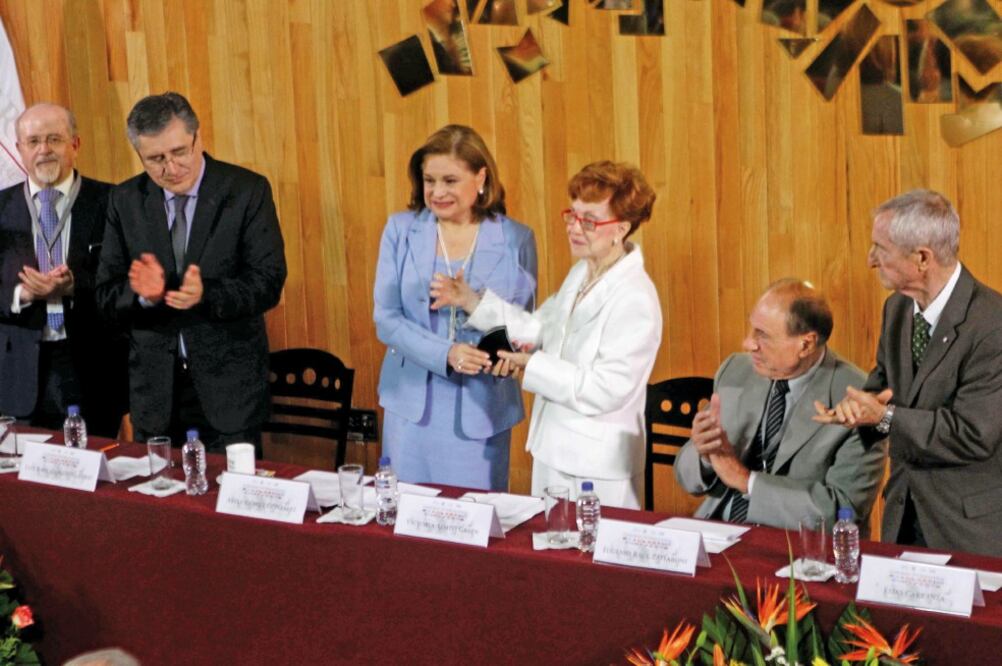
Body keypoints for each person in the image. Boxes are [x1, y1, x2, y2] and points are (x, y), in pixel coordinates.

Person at [430, 160, 661, 508]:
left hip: (597, 465)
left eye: (589, 220)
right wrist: (471, 301)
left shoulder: (635, 298)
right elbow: (537, 328)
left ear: (622, 229)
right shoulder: (581, 273)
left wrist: (531, 365)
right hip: (554, 450)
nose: (575, 228)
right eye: (573, 215)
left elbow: (605, 389)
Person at [95, 92, 287, 454]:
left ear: (198, 137)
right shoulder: (125, 201)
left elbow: (268, 282)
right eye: (155, 159)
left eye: (179, 151)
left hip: (229, 395)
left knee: (229, 507)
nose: (171, 168)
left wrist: (206, 294)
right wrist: (142, 295)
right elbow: (105, 294)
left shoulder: (245, 191)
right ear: (140, 156)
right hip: (155, 397)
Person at [816, 190, 1002, 556]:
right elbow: (886, 385)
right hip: (903, 516)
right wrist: (858, 411)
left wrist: (884, 416)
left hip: (967, 530)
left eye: (880, 248)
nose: (870, 260)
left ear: (922, 258)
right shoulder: (897, 309)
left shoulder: (992, 326)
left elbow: (973, 434)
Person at [373, 124, 537, 490]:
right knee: (408, 526)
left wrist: (476, 311)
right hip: (410, 408)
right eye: (429, 180)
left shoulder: (516, 239)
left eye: (450, 180)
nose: (437, 192)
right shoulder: (400, 230)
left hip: (481, 411)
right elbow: (386, 319)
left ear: (481, 177)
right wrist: (446, 353)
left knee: (474, 530)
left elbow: (522, 330)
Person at [675, 279, 885, 532]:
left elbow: (842, 513)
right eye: (752, 329)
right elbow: (687, 478)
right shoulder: (737, 370)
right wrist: (706, 455)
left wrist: (746, 481)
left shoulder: (859, 398)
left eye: (762, 335)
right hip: (719, 531)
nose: (748, 343)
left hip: (801, 548)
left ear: (805, 344)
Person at [0, 103, 127, 436]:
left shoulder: (114, 202)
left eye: (54, 139)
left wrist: (75, 286)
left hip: (92, 365)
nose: (44, 150)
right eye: (34, 141)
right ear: (19, 150)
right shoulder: (0, 208)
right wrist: (20, 294)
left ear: (75, 144)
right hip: (19, 370)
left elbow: (125, 280)